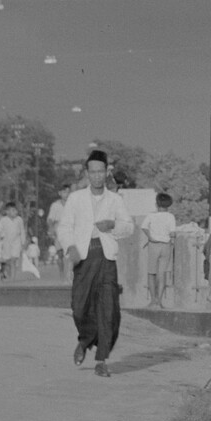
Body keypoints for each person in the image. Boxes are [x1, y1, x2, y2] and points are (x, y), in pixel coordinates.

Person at [58, 150, 134, 374]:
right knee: (80, 307)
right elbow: (64, 227)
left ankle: (102, 360)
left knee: (108, 310)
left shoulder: (115, 199)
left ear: (106, 172)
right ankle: (84, 341)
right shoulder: (75, 198)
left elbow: (128, 226)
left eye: (101, 171)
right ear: (87, 173)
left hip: (106, 257)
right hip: (84, 256)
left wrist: (112, 225)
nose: (97, 176)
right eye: (93, 172)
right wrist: (70, 247)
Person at [141, 189, 177, 308]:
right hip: (166, 246)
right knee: (162, 274)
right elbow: (172, 234)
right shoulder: (170, 217)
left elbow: (144, 227)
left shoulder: (151, 215)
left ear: (157, 204)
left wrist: (150, 237)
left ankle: (152, 300)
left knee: (151, 273)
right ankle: (159, 301)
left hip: (153, 245)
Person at [0, 201, 26, 277]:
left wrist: (23, 242)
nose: (15, 212)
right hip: (7, 242)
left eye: (15, 210)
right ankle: (8, 274)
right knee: (8, 260)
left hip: (16, 242)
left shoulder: (19, 219)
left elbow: (22, 231)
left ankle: (13, 278)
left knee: (14, 259)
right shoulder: (4, 220)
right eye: (12, 210)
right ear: (7, 212)